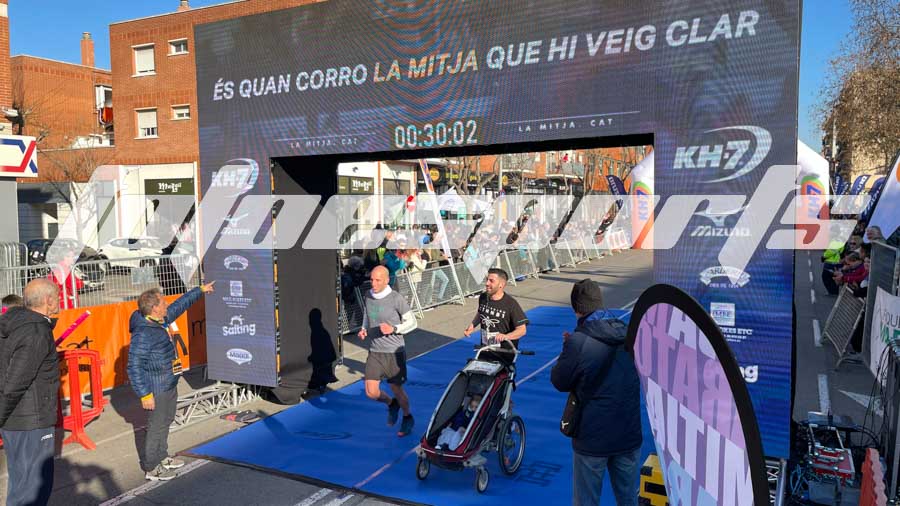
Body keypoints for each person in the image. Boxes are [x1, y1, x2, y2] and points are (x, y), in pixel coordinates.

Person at [551, 279, 642, 506]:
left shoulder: (578, 341)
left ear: (576, 308)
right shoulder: (628, 332)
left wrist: (568, 349)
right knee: (629, 499)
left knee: (586, 500)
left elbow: (560, 381)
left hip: (593, 437)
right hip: (628, 431)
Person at [128, 281, 215, 480]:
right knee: (156, 426)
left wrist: (200, 290)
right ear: (154, 308)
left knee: (166, 421)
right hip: (156, 388)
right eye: (163, 303)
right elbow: (133, 366)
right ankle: (151, 467)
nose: (167, 305)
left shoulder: (159, 319)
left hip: (168, 382)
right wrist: (145, 394)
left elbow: (179, 305)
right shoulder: (143, 333)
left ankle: (162, 456)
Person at [0, 279, 61, 505]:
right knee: (33, 489)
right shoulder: (35, 331)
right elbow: (15, 383)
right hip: (30, 422)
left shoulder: (16, 324)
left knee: (21, 485)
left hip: (18, 420)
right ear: (48, 300)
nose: (59, 301)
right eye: (57, 297)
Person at [358, 266, 418, 437]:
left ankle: (407, 417)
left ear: (387, 280)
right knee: (371, 392)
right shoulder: (368, 295)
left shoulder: (395, 298)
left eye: (378, 280)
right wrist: (364, 329)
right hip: (375, 350)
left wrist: (394, 328)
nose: (373, 283)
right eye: (371, 279)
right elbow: (367, 314)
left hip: (394, 352)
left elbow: (413, 322)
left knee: (396, 388)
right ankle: (391, 404)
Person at [464, 268, 528, 349]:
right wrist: (472, 326)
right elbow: (481, 312)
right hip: (485, 348)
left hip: (504, 351)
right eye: (487, 280)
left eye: (491, 281)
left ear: (501, 284)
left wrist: (506, 336)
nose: (487, 283)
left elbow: (522, 330)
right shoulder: (483, 297)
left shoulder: (511, 304)